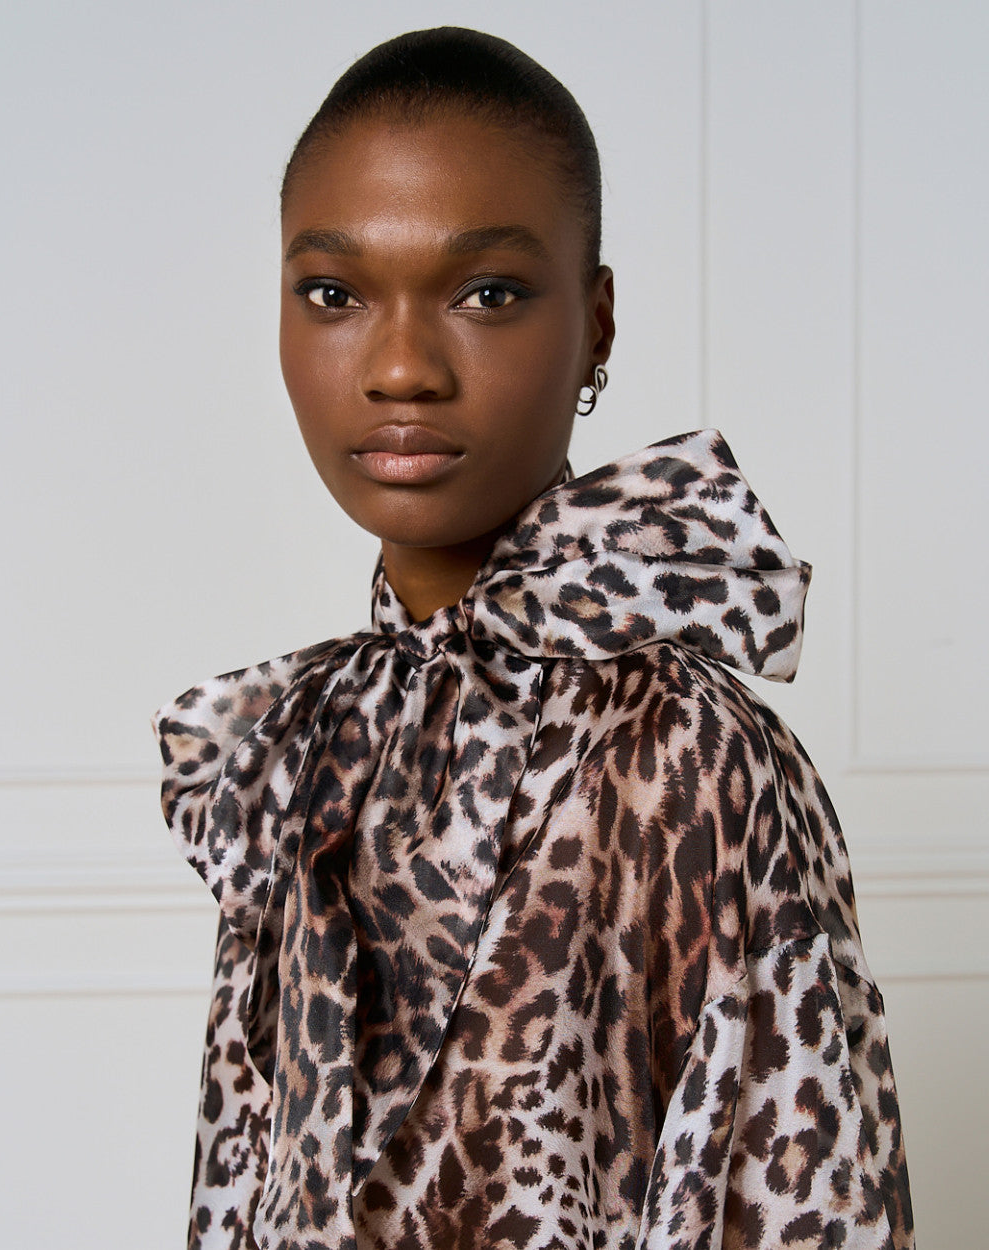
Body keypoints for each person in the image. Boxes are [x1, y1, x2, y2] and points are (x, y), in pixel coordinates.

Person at [155, 27, 913, 1250]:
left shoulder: (692, 757)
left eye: (487, 293)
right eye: (334, 294)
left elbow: (811, 1207)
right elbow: (239, 1185)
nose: (401, 367)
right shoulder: (304, 750)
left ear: (596, 323)